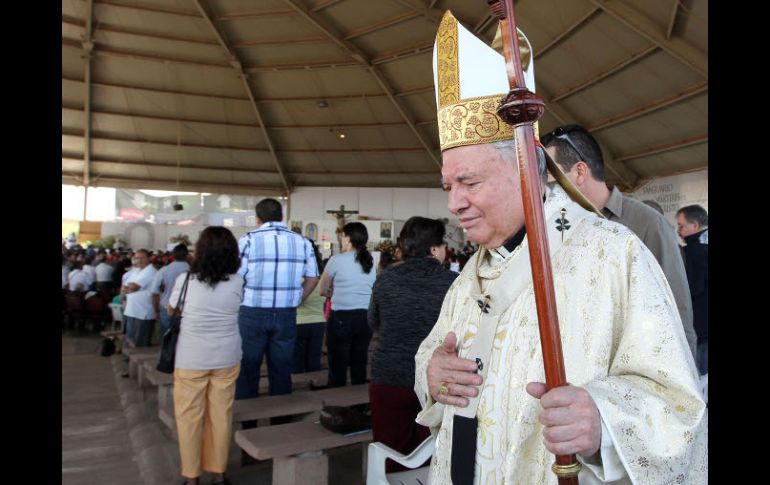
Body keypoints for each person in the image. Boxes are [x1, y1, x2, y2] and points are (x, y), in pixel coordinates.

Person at [413, 12, 706, 484]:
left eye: (469, 181)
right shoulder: (471, 273)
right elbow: (432, 351)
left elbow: (677, 404)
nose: (454, 203)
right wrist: (431, 371)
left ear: (527, 166)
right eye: (448, 185)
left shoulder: (612, 255)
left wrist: (603, 421)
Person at [541, 124, 698, 359]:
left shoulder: (646, 223)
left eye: (551, 179)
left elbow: (676, 307)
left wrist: (683, 375)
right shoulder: (559, 225)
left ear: (580, 172)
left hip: (632, 365)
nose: (545, 189)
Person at [368, 217, 457, 472]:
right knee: (436, 455)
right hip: (436, 382)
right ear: (433, 249)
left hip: (388, 377)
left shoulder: (385, 280)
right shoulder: (453, 283)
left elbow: (373, 321)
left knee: (391, 454)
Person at [168, 227, 243, 485]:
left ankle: (192, 476)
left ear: (199, 251)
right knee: (221, 415)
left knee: (189, 418)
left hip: (191, 357)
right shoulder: (237, 281)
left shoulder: (186, 281)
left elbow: (171, 311)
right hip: (227, 355)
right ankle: (219, 472)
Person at [235, 198, 320, 401]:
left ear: (258, 219)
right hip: (286, 313)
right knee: (282, 367)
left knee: (248, 366)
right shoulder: (303, 241)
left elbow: (236, 276)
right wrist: (299, 297)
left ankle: (249, 424)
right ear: (282, 216)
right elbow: (313, 277)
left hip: (252, 312)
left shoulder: (247, 239)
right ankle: (280, 420)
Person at [318, 222, 376, 387]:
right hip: (365, 317)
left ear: (348, 239)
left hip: (341, 317)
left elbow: (322, 290)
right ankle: (357, 407)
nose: (341, 239)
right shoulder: (369, 261)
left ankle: (337, 407)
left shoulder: (336, 260)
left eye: (343, 236)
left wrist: (333, 292)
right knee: (359, 362)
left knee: (338, 364)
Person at [676, 205, 708, 376]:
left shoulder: (693, 252)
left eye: (681, 226)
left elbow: (689, 290)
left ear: (694, 225)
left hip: (700, 330)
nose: (678, 231)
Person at [293, 242, 327, 374]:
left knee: (296, 366)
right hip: (318, 323)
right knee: (313, 364)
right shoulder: (322, 274)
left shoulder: (296, 275)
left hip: (298, 323)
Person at [150, 244, 190, 337]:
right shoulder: (193, 270)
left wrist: (156, 311)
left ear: (172, 255)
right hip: (188, 310)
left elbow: (154, 293)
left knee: (167, 340)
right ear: (187, 255)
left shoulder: (164, 270)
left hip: (167, 309)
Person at [121, 249, 158, 347]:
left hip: (143, 312)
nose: (139, 260)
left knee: (140, 344)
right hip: (131, 310)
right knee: (129, 341)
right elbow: (124, 287)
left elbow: (133, 286)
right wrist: (130, 288)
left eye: (142, 258)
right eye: (137, 258)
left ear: (149, 258)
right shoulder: (136, 271)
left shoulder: (151, 271)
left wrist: (131, 288)